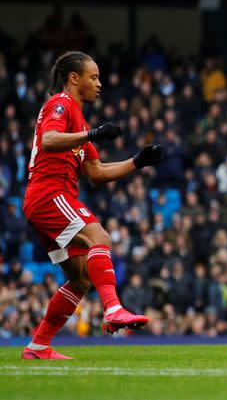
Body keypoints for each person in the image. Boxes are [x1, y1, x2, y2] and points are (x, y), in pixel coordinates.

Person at [21, 51, 163, 360]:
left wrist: (138, 161)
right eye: (94, 77)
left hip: (46, 201)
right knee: (101, 238)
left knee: (82, 277)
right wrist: (92, 133)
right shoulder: (61, 105)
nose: (99, 84)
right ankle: (113, 311)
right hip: (49, 193)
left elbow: (96, 174)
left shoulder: (78, 121)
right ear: (74, 78)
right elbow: (49, 139)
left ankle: (37, 346)